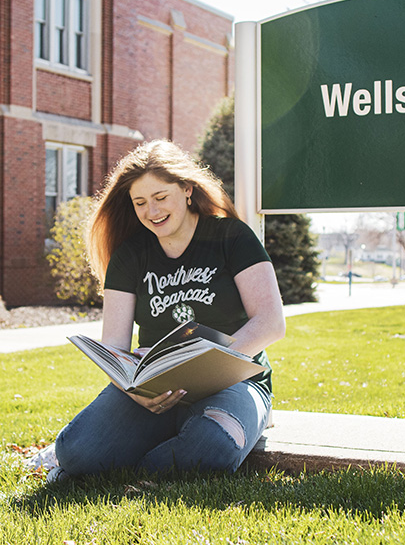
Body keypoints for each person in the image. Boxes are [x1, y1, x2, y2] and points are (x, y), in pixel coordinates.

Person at [30, 140, 285, 482]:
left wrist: (205, 368)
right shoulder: (129, 255)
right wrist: (135, 392)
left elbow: (270, 323)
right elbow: (115, 348)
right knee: (76, 451)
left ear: (187, 189)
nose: (152, 211)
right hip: (156, 392)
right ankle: (133, 458)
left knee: (213, 448)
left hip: (235, 382)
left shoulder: (233, 237)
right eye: (140, 202)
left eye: (160, 198)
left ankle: (134, 472)